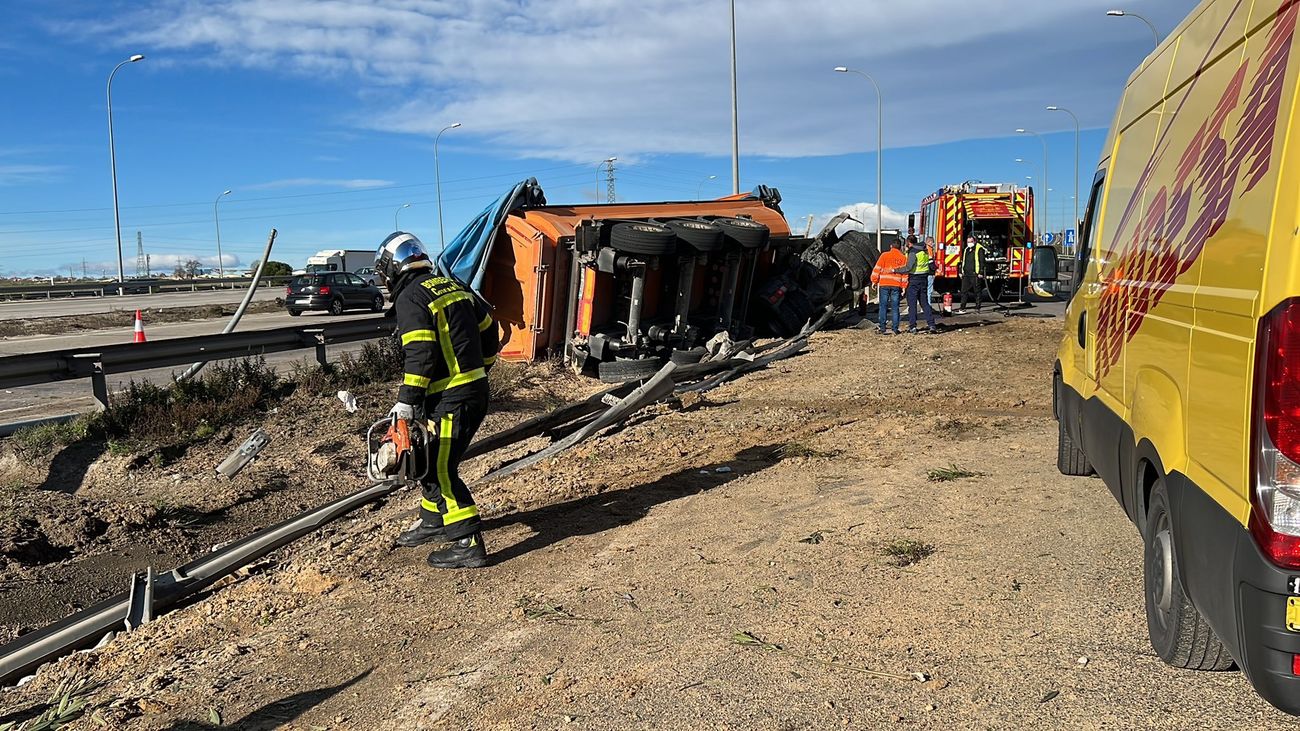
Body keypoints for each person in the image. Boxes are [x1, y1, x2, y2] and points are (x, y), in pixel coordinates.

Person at [378, 232, 500, 569]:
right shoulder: (452, 286)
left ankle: (468, 542)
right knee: (429, 461)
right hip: (469, 392)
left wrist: (406, 400)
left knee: (442, 468)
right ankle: (433, 522)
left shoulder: (411, 297)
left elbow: (421, 352)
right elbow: (491, 329)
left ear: (392, 266)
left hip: (451, 399)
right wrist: (480, 370)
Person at [893, 235, 936, 333]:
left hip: (914, 280)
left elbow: (908, 268)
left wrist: (895, 270)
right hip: (924, 278)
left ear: (909, 242)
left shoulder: (913, 252)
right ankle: (931, 324)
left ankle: (913, 326)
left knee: (912, 305)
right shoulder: (925, 250)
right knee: (924, 303)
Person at [869, 239, 908, 334]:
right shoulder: (903, 258)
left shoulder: (884, 255)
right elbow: (905, 273)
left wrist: (874, 281)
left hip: (884, 283)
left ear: (891, 246)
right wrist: (904, 286)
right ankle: (895, 329)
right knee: (895, 307)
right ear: (900, 247)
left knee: (883, 306)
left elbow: (877, 268)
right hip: (896, 284)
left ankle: (882, 328)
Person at [959, 236, 987, 313]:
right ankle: (962, 308)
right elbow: (964, 261)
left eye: (971, 241)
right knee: (964, 291)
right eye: (968, 242)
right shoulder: (966, 250)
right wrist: (961, 272)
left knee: (977, 291)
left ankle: (977, 307)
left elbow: (982, 261)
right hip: (966, 274)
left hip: (975, 274)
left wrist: (981, 272)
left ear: (974, 241)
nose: (969, 243)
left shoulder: (979, 249)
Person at [924, 236, 939, 304]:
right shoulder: (929, 249)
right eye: (932, 242)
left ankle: (924, 305)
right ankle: (928, 306)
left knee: (926, 290)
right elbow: (930, 262)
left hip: (925, 271)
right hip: (930, 272)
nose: (933, 243)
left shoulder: (924, 248)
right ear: (929, 242)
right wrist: (936, 268)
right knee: (929, 290)